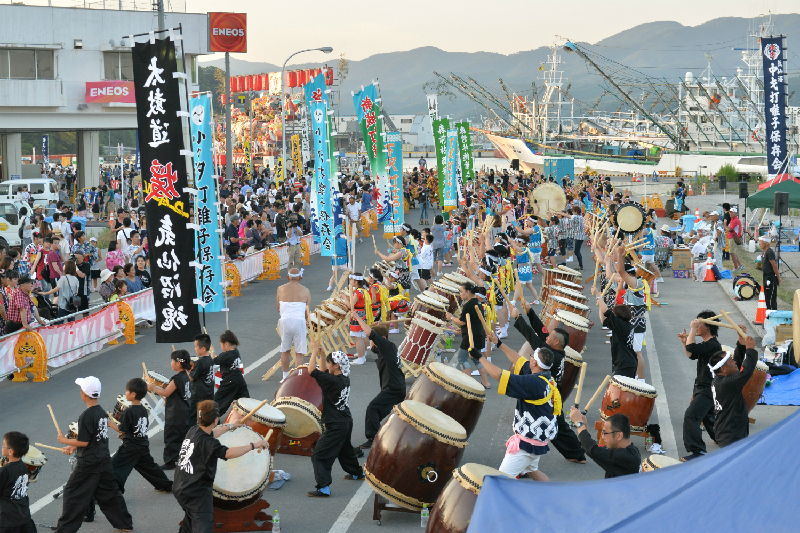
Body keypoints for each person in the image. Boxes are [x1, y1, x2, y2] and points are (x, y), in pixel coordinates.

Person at [509, 298, 587, 464]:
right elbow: (541, 330)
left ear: (556, 342)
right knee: (558, 427)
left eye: (550, 336)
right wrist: (529, 312)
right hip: (550, 393)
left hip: (549, 396)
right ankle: (577, 452)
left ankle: (577, 453)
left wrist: (518, 318)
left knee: (554, 427)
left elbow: (533, 338)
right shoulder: (554, 349)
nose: (547, 336)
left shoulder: (554, 357)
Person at [172, 400, 268, 533]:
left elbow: (213, 433)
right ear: (216, 420)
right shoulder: (208, 443)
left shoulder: (194, 431)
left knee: (191, 519)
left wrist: (232, 426)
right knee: (203, 525)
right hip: (196, 494)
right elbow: (228, 453)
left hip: (181, 486)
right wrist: (253, 445)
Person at [54, 376, 133, 532]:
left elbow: (84, 442)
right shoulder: (101, 411)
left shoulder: (86, 415)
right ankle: (125, 524)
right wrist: (72, 447)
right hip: (103, 459)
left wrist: (65, 441)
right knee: (109, 492)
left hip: (89, 462)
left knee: (72, 492)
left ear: (83, 393)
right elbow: (92, 438)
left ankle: (65, 529)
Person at [480, 330, 559, 481]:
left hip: (527, 444)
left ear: (535, 363)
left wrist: (480, 359)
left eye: (531, 357)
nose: (529, 359)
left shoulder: (534, 384)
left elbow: (500, 375)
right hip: (537, 438)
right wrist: (498, 343)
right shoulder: (545, 376)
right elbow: (518, 360)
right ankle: (552, 495)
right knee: (533, 471)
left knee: (500, 480)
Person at [306, 344, 365, 497]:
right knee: (345, 451)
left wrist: (313, 351)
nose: (327, 366)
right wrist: (324, 354)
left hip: (336, 425)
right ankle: (357, 473)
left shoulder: (331, 381)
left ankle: (323, 487)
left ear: (336, 365)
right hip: (346, 421)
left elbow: (312, 371)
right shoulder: (344, 378)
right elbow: (323, 370)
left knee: (319, 456)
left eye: (329, 363)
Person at [350, 313, 405, 454]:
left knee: (372, 408)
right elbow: (372, 339)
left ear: (382, 339)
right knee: (378, 412)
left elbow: (371, 334)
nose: (372, 344)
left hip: (393, 388)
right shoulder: (385, 347)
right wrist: (377, 325)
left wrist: (357, 317)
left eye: (374, 340)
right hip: (395, 387)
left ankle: (373, 438)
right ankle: (381, 432)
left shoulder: (387, 346)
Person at [109, 378, 173, 494]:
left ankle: (113, 493)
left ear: (133, 394)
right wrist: (126, 435)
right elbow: (138, 427)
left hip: (130, 447)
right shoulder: (143, 409)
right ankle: (165, 485)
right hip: (142, 444)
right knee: (150, 468)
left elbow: (121, 429)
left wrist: (110, 423)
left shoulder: (129, 411)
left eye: (127, 391)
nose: (125, 394)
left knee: (114, 466)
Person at [678, 311, 722, 461]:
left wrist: (691, 330)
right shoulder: (707, 344)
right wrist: (685, 342)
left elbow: (692, 348)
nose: (696, 326)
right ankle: (722, 438)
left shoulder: (713, 344)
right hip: (702, 386)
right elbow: (692, 354)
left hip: (708, 388)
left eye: (699, 323)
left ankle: (698, 451)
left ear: (708, 327)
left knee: (691, 416)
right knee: (708, 416)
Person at [710, 332, 758, 447]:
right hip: (731, 435)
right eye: (731, 361)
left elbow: (737, 363)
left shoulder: (721, 380)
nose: (735, 362)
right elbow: (746, 372)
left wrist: (741, 345)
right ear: (723, 369)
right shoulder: (728, 383)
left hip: (727, 432)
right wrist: (750, 350)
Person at [147, 351, 192, 469]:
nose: (171, 363)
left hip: (175, 413)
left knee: (171, 437)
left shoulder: (176, 378)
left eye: (172, 361)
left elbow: (166, 392)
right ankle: (185, 458)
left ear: (178, 363)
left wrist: (153, 387)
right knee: (182, 436)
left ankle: (170, 462)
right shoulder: (186, 375)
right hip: (184, 410)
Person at [569, 409, 641, 478]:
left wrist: (579, 423)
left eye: (605, 433)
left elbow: (592, 449)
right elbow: (593, 447)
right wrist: (584, 426)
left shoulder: (625, 458)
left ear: (619, 435)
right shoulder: (630, 450)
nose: (603, 437)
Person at [445, 282, 490, 388]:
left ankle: (467, 384)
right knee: (477, 358)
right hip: (478, 334)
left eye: (461, 292)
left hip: (471, 337)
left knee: (462, 358)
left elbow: (462, 321)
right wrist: (462, 329)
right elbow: (471, 322)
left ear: (468, 292)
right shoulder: (478, 302)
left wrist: (451, 317)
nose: (460, 294)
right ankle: (486, 382)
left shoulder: (469, 305)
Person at [591, 286, 638, 379]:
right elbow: (603, 320)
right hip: (625, 363)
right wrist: (600, 304)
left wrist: (597, 295)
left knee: (620, 390)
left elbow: (607, 312)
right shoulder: (623, 325)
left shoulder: (622, 325)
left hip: (625, 364)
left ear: (618, 315)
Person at [277, 268, 311, 382]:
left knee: (285, 350)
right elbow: (307, 312)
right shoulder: (306, 290)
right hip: (299, 321)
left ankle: (285, 376)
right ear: (300, 278)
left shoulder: (280, 289)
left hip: (285, 320)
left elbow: (278, 308)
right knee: (299, 352)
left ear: (288, 277)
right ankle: (297, 378)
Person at [0, 431, 36, 533]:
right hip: (23, 515)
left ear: (11, 452)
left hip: (7, 519)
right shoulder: (23, 466)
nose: (2, 447)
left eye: (3, 445)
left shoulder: (4, 471)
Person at [212, 330, 250, 416]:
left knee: (218, 401)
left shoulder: (225, 355)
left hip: (229, 381)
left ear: (226, 344)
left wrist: (212, 352)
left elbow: (213, 361)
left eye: (221, 344)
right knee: (246, 402)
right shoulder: (236, 352)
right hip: (239, 379)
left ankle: (212, 419)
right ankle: (250, 417)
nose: (221, 346)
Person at [188, 334, 215, 426]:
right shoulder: (210, 360)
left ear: (203, 348)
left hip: (198, 394)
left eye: (196, 347)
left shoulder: (200, 362)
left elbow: (191, 378)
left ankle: (191, 434)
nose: (195, 349)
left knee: (192, 415)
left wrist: (185, 369)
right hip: (209, 391)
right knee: (208, 413)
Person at [346, 273, 372, 366]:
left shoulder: (357, 292)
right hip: (362, 314)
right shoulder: (363, 290)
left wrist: (344, 298)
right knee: (363, 335)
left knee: (357, 337)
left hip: (357, 315)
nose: (351, 282)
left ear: (356, 282)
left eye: (352, 280)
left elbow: (350, 306)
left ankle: (361, 358)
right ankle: (363, 353)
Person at [758, 235, 780, 311]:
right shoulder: (764, 252)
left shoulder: (769, 252)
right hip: (765, 276)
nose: (759, 244)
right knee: (766, 296)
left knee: (771, 298)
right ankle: (767, 314)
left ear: (766, 243)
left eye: (761, 242)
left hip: (771, 277)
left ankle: (772, 313)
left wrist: (778, 278)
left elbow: (774, 266)